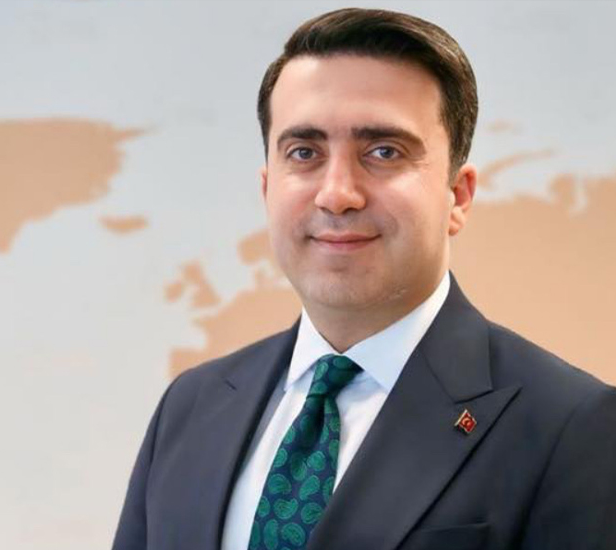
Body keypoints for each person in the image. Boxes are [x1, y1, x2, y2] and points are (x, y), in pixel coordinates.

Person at [112, 8, 616, 550]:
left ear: (458, 196)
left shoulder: (571, 426)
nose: (337, 194)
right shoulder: (191, 406)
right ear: (267, 188)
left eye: (383, 152)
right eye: (304, 153)